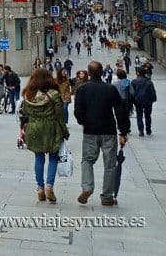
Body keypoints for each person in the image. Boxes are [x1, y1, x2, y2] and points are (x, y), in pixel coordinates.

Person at [73, 61, 130, 206]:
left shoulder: (82, 89)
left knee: (87, 160)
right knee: (110, 164)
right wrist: (123, 131)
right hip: (108, 130)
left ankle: (87, 187)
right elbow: (120, 110)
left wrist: (82, 121)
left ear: (89, 73)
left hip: (90, 130)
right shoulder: (109, 89)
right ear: (102, 72)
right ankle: (106, 197)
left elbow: (78, 111)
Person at [20, 68, 68, 203]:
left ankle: (40, 187)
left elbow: (24, 110)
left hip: (34, 127)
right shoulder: (54, 94)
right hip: (51, 127)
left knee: (38, 157)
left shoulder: (28, 94)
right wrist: (64, 131)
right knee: (53, 157)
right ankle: (49, 186)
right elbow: (60, 114)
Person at [130, 67, 158, 136]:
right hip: (148, 101)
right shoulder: (149, 81)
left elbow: (132, 92)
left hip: (138, 101)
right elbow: (152, 91)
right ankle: (148, 130)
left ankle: (141, 131)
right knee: (148, 115)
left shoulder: (134, 81)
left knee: (139, 116)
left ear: (138, 73)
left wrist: (132, 101)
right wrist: (153, 99)